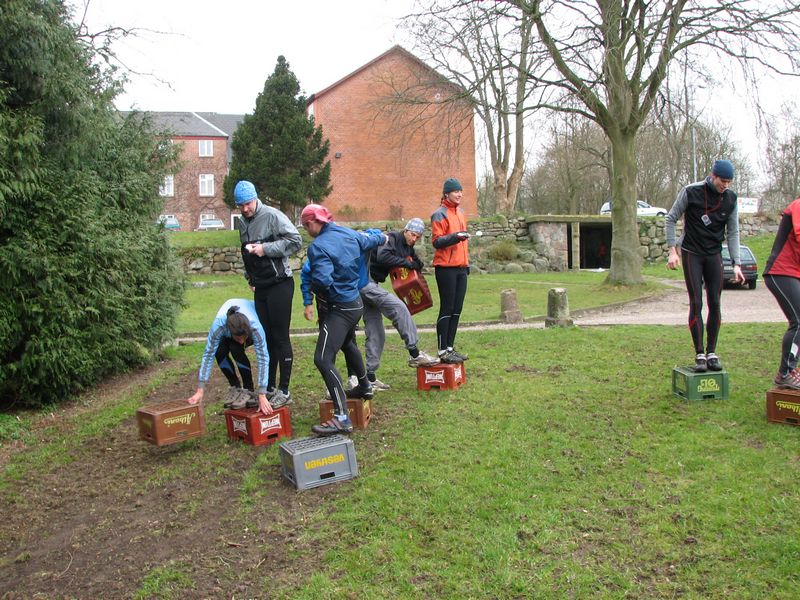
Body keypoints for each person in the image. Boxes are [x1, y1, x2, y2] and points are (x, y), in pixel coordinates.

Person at [300, 204, 387, 436]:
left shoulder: (318, 247)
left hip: (338, 308)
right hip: (356, 303)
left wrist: (321, 296)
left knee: (322, 359)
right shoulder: (349, 234)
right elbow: (372, 239)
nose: (307, 230)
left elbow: (321, 280)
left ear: (312, 222)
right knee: (348, 344)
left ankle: (341, 417)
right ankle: (365, 387)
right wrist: (383, 236)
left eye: (306, 225)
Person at [665, 159, 745, 372]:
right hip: (692, 253)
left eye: (729, 182)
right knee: (696, 302)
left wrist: (737, 263)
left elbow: (733, 232)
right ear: (713, 175)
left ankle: (712, 352)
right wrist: (673, 251)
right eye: (722, 181)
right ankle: (699, 353)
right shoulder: (691, 191)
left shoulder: (731, 199)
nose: (725, 185)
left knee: (715, 303)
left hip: (714, 254)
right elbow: (671, 218)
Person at [234, 180, 302, 408]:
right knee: (265, 338)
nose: (245, 209)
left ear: (255, 198)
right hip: (261, 286)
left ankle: (285, 390)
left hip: (280, 284)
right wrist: (250, 278)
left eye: (247, 204)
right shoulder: (242, 223)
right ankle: (270, 387)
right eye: (240, 205)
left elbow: (295, 241)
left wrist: (265, 249)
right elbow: (246, 255)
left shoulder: (272, 215)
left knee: (280, 337)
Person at [361, 217, 439, 389]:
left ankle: (369, 377)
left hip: (371, 284)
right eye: (412, 235)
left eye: (417, 237)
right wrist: (406, 262)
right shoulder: (392, 238)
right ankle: (414, 353)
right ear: (405, 230)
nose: (414, 239)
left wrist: (414, 263)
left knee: (376, 331)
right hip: (363, 282)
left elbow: (417, 263)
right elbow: (383, 257)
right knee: (399, 308)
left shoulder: (407, 246)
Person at [187, 299, 275, 415]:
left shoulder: (255, 327)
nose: (241, 341)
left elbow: (263, 358)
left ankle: (248, 390)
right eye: (239, 338)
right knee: (219, 350)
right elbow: (208, 354)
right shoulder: (219, 326)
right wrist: (200, 389)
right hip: (227, 328)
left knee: (236, 348)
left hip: (249, 325)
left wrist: (262, 394)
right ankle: (235, 387)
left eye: (243, 338)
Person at [431, 177, 470, 364]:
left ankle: (450, 348)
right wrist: (456, 237)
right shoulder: (439, 214)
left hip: (461, 268)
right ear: (447, 193)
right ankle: (441, 351)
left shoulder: (461, 213)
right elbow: (437, 241)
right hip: (446, 269)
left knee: (457, 310)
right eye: (456, 191)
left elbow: (463, 244)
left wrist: (466, 264)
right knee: (447, 308)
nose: (460, 194)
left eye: (461, 191)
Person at [763, 198, 800, 389]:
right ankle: (785, 373)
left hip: (794, 273)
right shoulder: (799, 205)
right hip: (780, 271)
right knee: (799, 322)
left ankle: (791, 369)